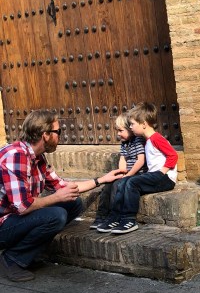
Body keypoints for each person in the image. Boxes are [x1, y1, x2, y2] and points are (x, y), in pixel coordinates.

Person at [0, 110, 125, 282]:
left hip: (12, 219)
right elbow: (22, 206)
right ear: (45, 135)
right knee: (56, 215)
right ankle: (12, 259)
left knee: (74, 203)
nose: (61, 136)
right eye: (58, 131)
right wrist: (56, 197)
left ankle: (25, 252)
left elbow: (65, 187)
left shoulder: (38, 158)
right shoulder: (16, 156)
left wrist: (102, 179)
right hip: (3, 223)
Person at [96, 102, 178, 235]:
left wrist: (162, 172)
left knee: (132, 182)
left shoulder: (157, 138)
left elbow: (173, 155)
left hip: (165, 178)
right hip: (155, 176)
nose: (131, 127)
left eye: (133, 124)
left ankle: (129, 220)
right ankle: (115, 217)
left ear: (144, 124)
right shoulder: (147, 140)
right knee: (123, 182)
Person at [90, 113, 146, 230]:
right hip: (128, 173)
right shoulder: (124, 143)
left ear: (130, 129)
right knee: (108, 185)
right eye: (117, 131)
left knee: (117, 185)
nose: (118, 134)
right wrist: (122, 172)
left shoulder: (138, 140)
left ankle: (114, 216)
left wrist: (128, 175)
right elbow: (123, 159)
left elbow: (140, 161)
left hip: (137, 174)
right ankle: (101, 216)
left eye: (121, 130)